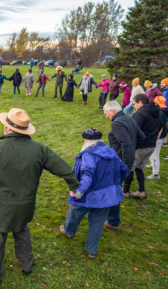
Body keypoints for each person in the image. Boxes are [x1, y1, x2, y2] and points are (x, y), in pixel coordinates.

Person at [0, 108, 80, 284]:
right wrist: (73, 186)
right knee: (21, 230)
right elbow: (63, 167)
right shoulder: (40, 149)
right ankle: (27, 263)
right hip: (25, 206)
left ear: (8, 128)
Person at [59, 128, 128, 258]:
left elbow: (88, 175)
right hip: (108, 195)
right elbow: (123, 168)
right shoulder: (110, 151)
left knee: (75, 211)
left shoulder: (88, 155)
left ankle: (69, 231)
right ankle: (91, 250)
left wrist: (79, 191)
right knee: (97, 222)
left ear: (86, 140)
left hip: (88, 193)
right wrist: (116, 184)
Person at [102, 101, 145, 231]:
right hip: (127, 160)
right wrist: (132, 153)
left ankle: (113, 221)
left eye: (106, 113)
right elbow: (141, 137)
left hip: (120, 163)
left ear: (112, 111)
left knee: (112, 190)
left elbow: (126, 143)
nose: (106, 116)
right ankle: (110, 216)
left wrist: (124, 164)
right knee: (113, 188)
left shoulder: (117, 123)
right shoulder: (129, 119)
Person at [123, 94, 162, 198]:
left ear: (140, 102)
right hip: (151, 145)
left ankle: (125, 191)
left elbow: (134, 130)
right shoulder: (157, 111)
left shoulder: (140, 114)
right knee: (139, 168)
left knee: (130, 168)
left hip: (141, 147)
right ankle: (141, 191)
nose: (134, 106)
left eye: (134, 103)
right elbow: (161, 126)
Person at [147, 96, 168, 179]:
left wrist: (157, 135)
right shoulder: (166, 110)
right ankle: (152, 165)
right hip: (161, 135)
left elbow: (160, 125)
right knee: (152, 153)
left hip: (158, 136)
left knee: (155, 154)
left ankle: (155, 174)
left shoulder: (160, 112)